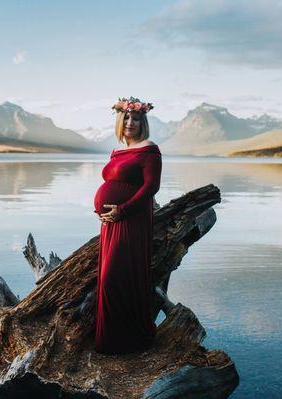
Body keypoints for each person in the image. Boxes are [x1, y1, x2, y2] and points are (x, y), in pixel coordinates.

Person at [93, 96, 162, 354]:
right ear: (120, 121)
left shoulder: (149, 150)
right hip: (111, 223)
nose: (130, 122)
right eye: (126, 118)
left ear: (142, 122)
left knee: (116, 278)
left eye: (135, 118)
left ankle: (129, 340)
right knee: (108, 278)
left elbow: (151, 187)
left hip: (131, 221)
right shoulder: (118, 151)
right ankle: (113, 340)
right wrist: (103, 208)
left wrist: (122, 209)